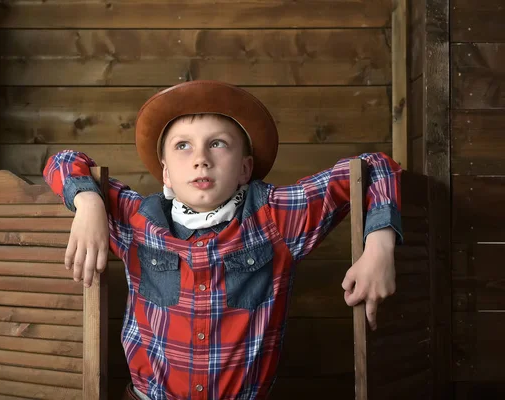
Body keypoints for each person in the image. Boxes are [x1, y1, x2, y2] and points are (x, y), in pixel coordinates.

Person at [43, 80, 403, 400]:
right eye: (183, 146)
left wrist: (380, 245)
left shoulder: (276, 216)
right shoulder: (137, 219)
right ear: (166, 173)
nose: (201, 159)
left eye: (217, 144)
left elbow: (374, 167)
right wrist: (89, 201)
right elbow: (61, 161)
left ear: (245, 168)